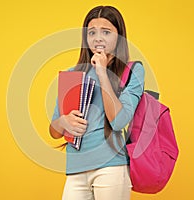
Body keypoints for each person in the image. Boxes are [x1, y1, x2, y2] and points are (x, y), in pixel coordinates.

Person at [49, 5, 145, 200]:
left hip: (111, 166)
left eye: (106, 32)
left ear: (119, 37)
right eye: (92, 32)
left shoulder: (132, 71)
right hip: (76, 168)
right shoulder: (71, 74)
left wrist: (102, 72)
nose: (98, 38)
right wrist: (64, 121)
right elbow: (54, 130)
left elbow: (118, 121)